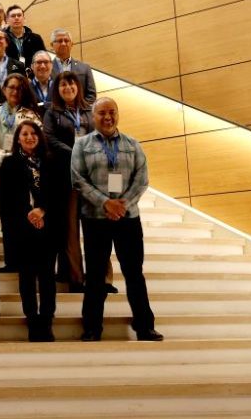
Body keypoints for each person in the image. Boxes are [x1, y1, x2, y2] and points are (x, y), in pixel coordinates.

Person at [72, 98, 162, 342]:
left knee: (134, 274)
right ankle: (92, 328)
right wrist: (105, 202)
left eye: (112, 112)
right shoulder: (82, 145)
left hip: (128, 218)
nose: (108, 117)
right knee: (95, 275)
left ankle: (144, 326)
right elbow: (78, 180)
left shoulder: (133, 144)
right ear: (93, 116)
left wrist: (123, 205)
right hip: (95, 219)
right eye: (102, 113)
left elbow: (142, 180)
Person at [44, 71, 107, 294]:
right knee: (71, 230)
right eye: (63, 85)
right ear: (57, 89)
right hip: (67, 177)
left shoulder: (90, 110)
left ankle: (102, 279)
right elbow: (49, 139)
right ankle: (76, 278)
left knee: (97, 229)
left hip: (92, 177)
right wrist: (75, 152)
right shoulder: (52, 112)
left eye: (72, 84)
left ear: (78, 87)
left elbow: (101, 135)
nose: (68, 88)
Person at [0, 119, 57, 342]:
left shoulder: (50, 161)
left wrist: (43, 211)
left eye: (33, 133)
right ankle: (32, 321)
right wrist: (28, 216)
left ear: (39, 137)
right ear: (18, 139)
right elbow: (5, 200)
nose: (29, 137)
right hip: (21, 228)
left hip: (48, 226)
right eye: (24, 134)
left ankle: (46, 321)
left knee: (47, 277)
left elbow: (59, 192)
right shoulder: (9, 163)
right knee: (27, 277)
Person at [0, 73, 42, 170]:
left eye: (19, 88)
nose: (15, 91)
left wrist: (22, 157)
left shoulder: (32, 115)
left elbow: (39, 138)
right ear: (4, 89)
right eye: (12, 87)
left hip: (25, 165)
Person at [50, 28, 98, 105]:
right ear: (52, 45)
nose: (63, 43)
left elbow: (91, 96)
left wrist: (79, 109)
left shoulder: (85, 68)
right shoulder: (46, 69)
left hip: (81, 111)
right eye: (60, 41)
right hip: (55, 111)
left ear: (72, 44)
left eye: (66, 41)